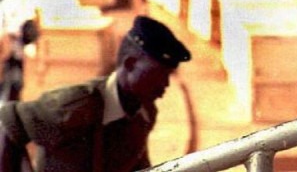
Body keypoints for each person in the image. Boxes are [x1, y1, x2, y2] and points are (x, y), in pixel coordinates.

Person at [0, 15, 191, 172]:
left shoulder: (145, 113)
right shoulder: (75, 105)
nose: (165, 85)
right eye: (157, 75)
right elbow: (7, 122)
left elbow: (137, 160)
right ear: (130, 64)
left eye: (168, 76)